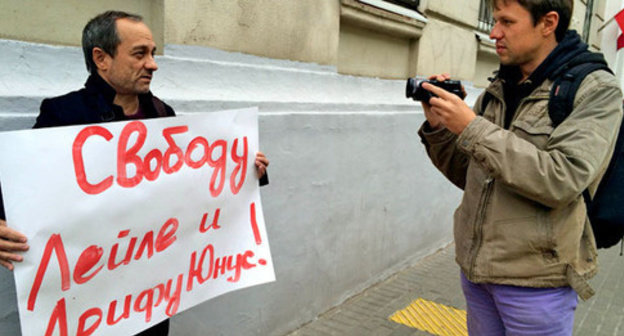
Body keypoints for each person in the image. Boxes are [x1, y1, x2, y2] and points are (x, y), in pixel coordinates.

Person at [0, 10, 269, 336]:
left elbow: (190, 185)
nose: (153, 64)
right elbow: (24, 185)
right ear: (101, 58)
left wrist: (244, 170)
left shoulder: (163, 114)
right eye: (140, 54)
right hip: (89, 297)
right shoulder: (64, 114)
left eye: (152, 53)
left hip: (149, 295)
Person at [417, 0, 622, 335]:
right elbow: (468, 175)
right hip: (478, 275)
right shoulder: (501, 86)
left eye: (507, 22)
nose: (495, 32)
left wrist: (472, 128)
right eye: (494, 20)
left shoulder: (595, 89)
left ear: (548, 22)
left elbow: (562, 178)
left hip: (536, 286)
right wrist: (441, 128)